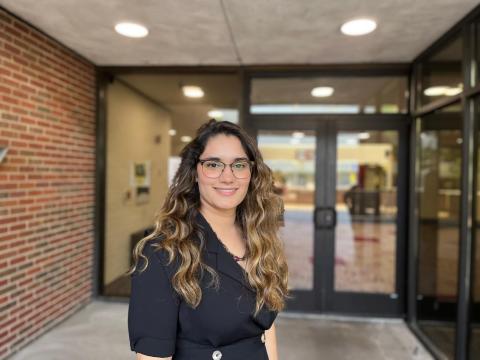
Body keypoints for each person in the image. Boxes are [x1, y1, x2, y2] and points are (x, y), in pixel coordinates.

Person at [126, 119, 290, 360]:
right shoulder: (163, 251)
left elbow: (265, 327)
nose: (228, 177)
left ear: (251, 173)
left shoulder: (259, 237)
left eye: (239, 165)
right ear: (194, 172)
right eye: (213, 165)